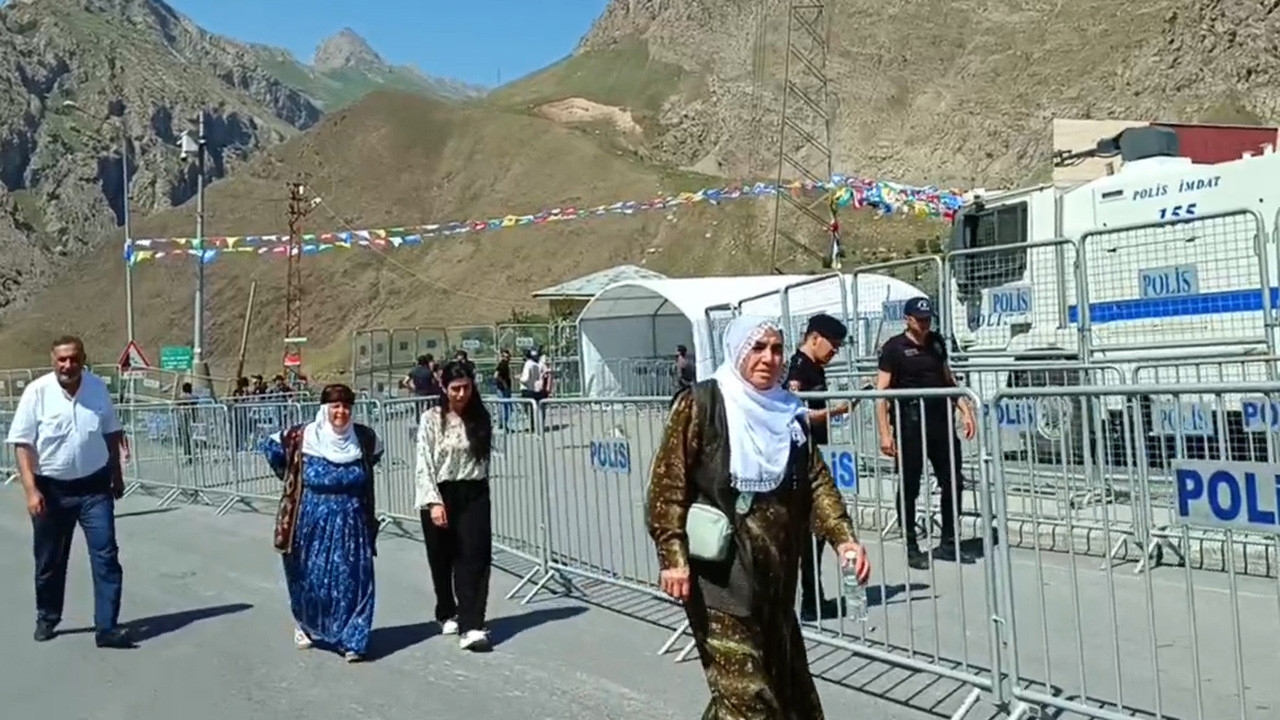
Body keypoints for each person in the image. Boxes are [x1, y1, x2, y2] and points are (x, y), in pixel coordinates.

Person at [647, 315, 870, 718]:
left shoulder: (788, 412)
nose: (769, 358)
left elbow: (817, 482)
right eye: (758, 347)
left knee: (789, 696)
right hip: (722, 580)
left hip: (777, 581)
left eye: (777, 349)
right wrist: (673, 558)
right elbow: (667, 485)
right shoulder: (703, 404)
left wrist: (843, 538)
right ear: (737, 350)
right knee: (750, 700)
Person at [8, 335, 132, 648]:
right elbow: (22, 445)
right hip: (52, 489)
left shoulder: (97, 388)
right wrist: (31, 492)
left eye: (74, 358)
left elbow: (111, 431)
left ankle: (106, 627)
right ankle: (47, 617)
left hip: (94, 487)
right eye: (62, 359)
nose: (68, 365)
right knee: (50, 559)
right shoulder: (37, 392)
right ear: (53, 361)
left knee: (106, 555)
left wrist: (117, 475)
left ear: (83, 359)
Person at [264, 383, 383, 662]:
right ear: (324, 409)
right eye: (335, 406)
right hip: (310, 521)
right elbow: (271, 449)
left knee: (355, 580)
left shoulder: (363, 438)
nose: (341, 412)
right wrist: (290, 475)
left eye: (346, 406)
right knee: (311, 580)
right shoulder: (303, 436)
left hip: (353, 522)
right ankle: (307, 624)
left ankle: (352, 639)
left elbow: (373, 458)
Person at [876, 296, 977, 570]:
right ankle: (911, 545)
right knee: (910, 485)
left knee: (953, 481)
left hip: (940, 422)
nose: (925, 324)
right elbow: (881, 394)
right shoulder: (894, 348)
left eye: (928, 319)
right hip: (910, 423)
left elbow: (948, 378)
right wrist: (885, 434)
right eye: (919, 319)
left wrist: (965, 409)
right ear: (907, 319)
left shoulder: (936, 342)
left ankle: (948, 542)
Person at [415, 361, 495, 652]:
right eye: (455, 389)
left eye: (466, 388)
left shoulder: (480, 418)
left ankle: (472, 623)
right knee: (442, 558)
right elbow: (424, 461)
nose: (462, 394)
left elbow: (483, 461)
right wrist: (433, 501)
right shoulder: (432, 419)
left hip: (473, 491)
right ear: (444, 388)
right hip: (440, 490)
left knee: (474, 556)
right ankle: (446, 609)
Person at [785, 313, 853, 622]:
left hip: (811, 454)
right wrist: (835, 411)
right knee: (813, 531)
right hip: (801, 456)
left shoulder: (812, 367)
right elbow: (795, 410)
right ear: (814, 338)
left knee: (816, 532)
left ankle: (813, 597)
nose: (834, 352)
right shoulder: (800, 367)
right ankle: (811, 600)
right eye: (832, 345)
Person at [493, 348, 513, 430]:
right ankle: (504, 424)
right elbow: (496, 375)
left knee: (505, 406)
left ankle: (502, 423)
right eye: (505, 357)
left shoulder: (505, 364)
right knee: (505, 406)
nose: (507, 359)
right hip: (503, 389)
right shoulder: (502, 364)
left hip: (504, 388)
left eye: (508, 357)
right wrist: (504, 383)